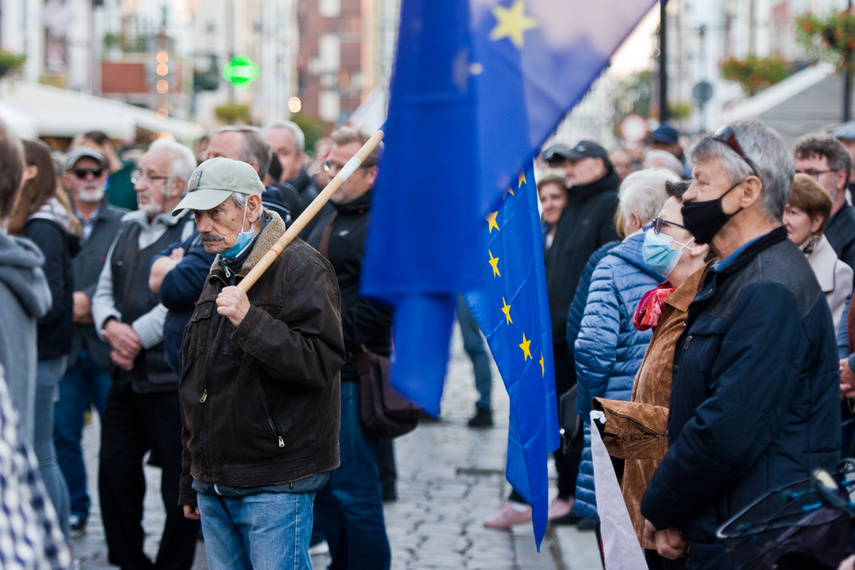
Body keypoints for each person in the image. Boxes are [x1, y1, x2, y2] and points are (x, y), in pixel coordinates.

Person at [640, 121, 840, 568]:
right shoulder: (739, 273)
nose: (689, 194)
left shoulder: (770, 286)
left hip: (759, 533)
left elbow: (727, 428)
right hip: (732, 522)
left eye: (703, 180)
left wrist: (663, 504)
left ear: (748, 191)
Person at [174, 157, 345, 570]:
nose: (202, 226)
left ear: (251, 208)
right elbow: (197, 383)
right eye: (197, 214)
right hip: (215, 480)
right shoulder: (220, 269)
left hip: (275, 481)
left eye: (216, 212)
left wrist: (250, 321)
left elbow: (319, 363)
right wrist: (191, 479)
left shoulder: (301, 268)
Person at [91, 139, 200, 570]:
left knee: (178, 484)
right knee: (114, 474)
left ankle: (172, 565)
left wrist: (133, 336)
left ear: (177, 185)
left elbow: (182, 297)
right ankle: (128, 560)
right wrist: (109, 327)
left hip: (168, 379)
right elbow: (103, 288)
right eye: (140, 175)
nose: (140, 185)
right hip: (124, 377)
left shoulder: (190, 229)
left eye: (151, 177)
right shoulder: (129, 227)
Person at [593, 183, 711, 570]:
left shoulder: (701, 309)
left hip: (669, 519)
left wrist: (668, 514)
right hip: (648, 508)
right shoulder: (672, 301)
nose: (650, 234)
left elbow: (690, 423)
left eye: (663, 226)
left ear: (697, 245)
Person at [306, 127, 394, 570]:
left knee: (354, 491)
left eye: (345, 167)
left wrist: (320, 342)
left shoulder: (383, 225)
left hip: (351, 374)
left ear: (373, 174)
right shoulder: (323, 211)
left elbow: (379, 309)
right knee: (322, 491)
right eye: (330, 165)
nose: (334, 175)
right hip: (313, 373)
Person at [573, 169, 677, 542]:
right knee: (658, 520)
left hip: (618, 416)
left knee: (620, 524)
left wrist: (588, 408)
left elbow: (592, 351)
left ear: (633, 219)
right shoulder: (691, 263)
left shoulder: (612, 265)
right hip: (668, 415)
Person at [7, 139, 82, 545]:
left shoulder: (42, 226)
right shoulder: (43, 220)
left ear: (30, 171)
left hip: (43, 352)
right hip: (42, 351)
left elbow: (49, 298)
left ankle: (55, 539)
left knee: (39, 454)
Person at [54, 147, 128, 537]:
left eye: (95, 171)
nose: (88, 178)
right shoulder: (53, 222)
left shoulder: (122, 222)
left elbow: (128, 275)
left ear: (105, 175)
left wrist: (89, 301)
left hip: (105, 345)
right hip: (63, 347)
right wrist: (69, 303)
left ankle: (117, 521)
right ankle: (75, 509)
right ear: (66, 179)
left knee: (115, 443)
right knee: (63, 432)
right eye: (80, 172)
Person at [0, 363, 72, 569]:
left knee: (42, 458)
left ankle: (61, 543)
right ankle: (61, 545)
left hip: (41, 361)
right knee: (44, 456)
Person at [784, 173, 853, 330]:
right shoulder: (768, 260)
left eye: (792, 212)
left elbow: (834, 341)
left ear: (816, 222)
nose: (783, 220)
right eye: (780, 210)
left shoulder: (839, 274)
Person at [206, 125, 301, 223]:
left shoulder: (260, 223)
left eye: (218, 158)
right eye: (207, 157)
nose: (206, 165)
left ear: (250, 168)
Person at [794, 133, 855, 270]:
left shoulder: (851, 234)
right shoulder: (788, 224)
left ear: (840, 178)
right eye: (797, 173)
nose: (802, 181)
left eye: (812, 173)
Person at [70, 130, 137, 211]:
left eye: (91, 150)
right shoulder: (86, 177)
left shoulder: (133, 175)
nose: (88, 158)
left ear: (106, 146)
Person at [264, 120, 321, 208]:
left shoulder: (313, 205)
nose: (273, 159)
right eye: (268, 151)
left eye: (283, 152)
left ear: (298, 160)